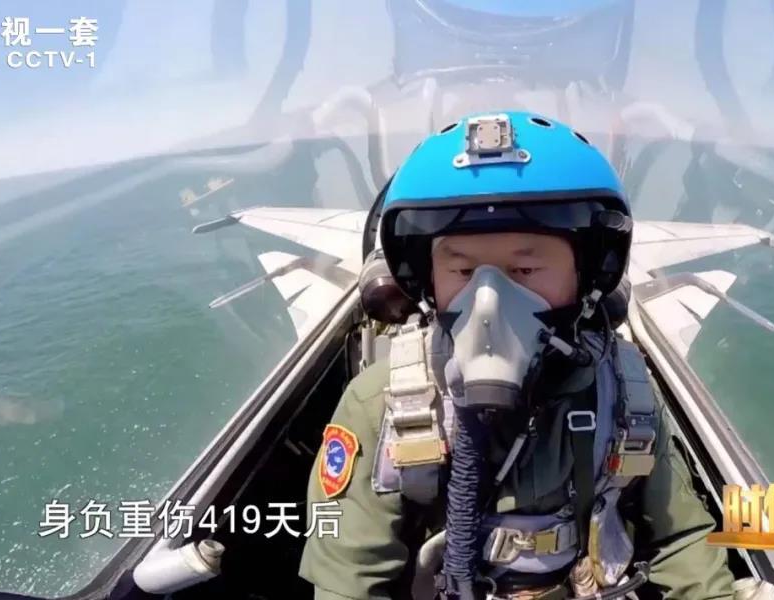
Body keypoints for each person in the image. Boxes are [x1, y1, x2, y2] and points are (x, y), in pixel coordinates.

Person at [299, 111, 734, 599]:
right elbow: (349, 581)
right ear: (427, 280)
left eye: (525, 270)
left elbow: (681, 542)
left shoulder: (623, 391)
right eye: (462, 272)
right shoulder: (382, 404)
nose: (489, 303)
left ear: (587, 277)